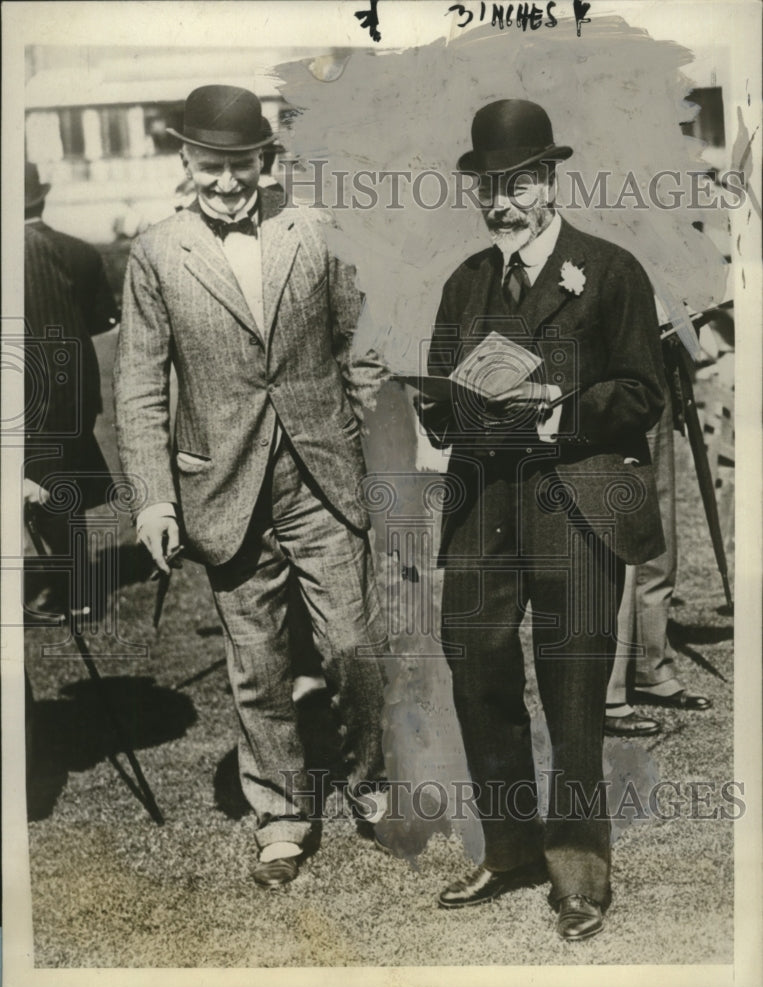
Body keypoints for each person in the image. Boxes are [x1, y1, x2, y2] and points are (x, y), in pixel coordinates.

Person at [114, 85, 388, 888]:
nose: (226, 183)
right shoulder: (158, 253)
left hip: (323, 477)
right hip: (221, 490)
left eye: (240, 165)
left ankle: (370, 782)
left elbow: (360, 350)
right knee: (257, 661)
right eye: (211, 166)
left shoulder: (317, 230)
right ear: (186, 161)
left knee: (351, 646)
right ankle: (279, 812)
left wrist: (380, 464)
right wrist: (156, 498)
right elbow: (138, 385)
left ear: (265, 161)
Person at [417, 99, 665, 939]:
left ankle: (578, 874)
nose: (502, 203)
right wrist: (443, 410)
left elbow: (642, 392)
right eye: (488, 187)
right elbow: (443, 396)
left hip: (576, 503)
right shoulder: (466, 282)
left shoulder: (610, 269)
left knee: (571, 691)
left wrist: (558, 411)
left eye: (517, 184)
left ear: (551, 180)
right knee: (478, 674)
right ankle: (510, 847)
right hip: (483, 508)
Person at [24, 162, 119, 618]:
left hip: (40, 396)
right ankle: (74, 588)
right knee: (60, 494)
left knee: (47, 493)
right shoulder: (78, 251)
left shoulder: (27, 251)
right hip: (75, 387)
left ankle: (75, 593)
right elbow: (103, 320)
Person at [604, 379, 711, 737]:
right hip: (606, 373)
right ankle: (609, 691)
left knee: (659, 526)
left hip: (655, 366)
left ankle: (652, 666)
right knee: (621, 520)